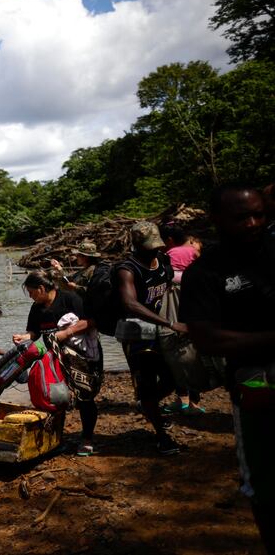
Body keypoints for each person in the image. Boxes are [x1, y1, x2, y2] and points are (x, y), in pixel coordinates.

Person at [181, 184, 274, 552]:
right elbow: (208, 340)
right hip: (252, 380)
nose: (252, 224)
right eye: (240, 218)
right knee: (265, 483)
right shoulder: (205, 273)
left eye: (259, 215)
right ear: (216, 221)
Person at [113, 221, 186, 456]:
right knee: (146, 381)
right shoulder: (127, 268)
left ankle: (148, 404)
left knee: (174, 378)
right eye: (149, 246)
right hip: (138, 333)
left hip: (162, 330)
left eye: (157, 245)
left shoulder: (163, 263)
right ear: (136, 245)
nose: (154, 249)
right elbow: (129, 303)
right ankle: (162, 437)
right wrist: (168, 323)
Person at [12, 272, 101, 456]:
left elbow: (91, 320)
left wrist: (66, 333)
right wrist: (24, 337)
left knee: (84, 396)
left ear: (42, 289)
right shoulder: (36, 308)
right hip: (53, 359)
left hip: (79, 356)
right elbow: (34, 333)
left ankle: (87, 438)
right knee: (54, 395)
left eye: (31, 292)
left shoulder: (70, 299)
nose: (31, 296)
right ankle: (55, 436)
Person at [159, 224, 204, 415]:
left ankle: (183, 398)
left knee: (173, 348)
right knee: (194, 348)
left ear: (168, 240)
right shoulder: (193, 252)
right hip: (195, 301)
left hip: (171, 304)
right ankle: (193, 400)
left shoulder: (166, 256)